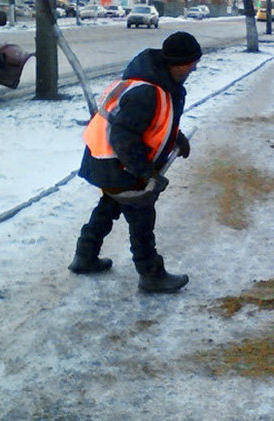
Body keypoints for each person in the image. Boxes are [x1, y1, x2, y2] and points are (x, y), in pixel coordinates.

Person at [68, 31, 202, 293]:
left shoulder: (157, 82)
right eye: (190, 63)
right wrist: (144, 173)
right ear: (176, 62)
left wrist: (177, 137)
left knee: (109, 205)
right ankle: (151, 273)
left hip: (105, 162)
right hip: (119, 164)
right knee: (141, 216)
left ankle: (84, 256)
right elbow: (124, 136)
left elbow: (150, 124)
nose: (194, 68)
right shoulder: (147, 92)